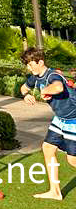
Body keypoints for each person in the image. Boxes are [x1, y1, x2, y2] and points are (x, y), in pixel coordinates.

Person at [21, 47, 76, 200]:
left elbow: (58, 87)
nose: (28, 67)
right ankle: (55, 192)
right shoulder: (35, 76)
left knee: (73, 160)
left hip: (73, 119)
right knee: (48, 149)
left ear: (41, 62)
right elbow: (23, 87)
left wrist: (46, 90)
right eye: (26, 64)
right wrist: (26, 95)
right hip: (60, 119)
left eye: (30, 64)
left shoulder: (52, 75)